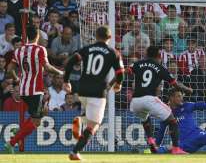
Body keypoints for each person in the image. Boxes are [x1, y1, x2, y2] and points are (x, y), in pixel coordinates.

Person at [63, 26, 124, 160]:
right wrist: (118, 84)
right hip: (98, 92)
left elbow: (70, 62)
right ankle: (75, 152)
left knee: (89, 115)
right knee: (94, 125)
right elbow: (120, 72)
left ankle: (81, 119)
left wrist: (66, 81)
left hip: (82, 89)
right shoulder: (113, 52)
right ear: (110, 38)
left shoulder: (87, 49)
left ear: (96, 36)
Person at [4, 24, 63, 153]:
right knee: (36, 122)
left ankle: (19, 133)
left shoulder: (18, 50)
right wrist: (60, 73)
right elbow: (47, 67)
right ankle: (12, 142)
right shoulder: (40, 49)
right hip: (35, 90)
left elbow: (9, 70)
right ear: (37, 36)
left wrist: (16, 78)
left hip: (23, 89)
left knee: (41, 114)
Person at [129, 46, 193, 154]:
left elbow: (127, 70)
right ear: (158, 56)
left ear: (146, 54)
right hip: (149, 99)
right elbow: (175, 84)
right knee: (172, 120)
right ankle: (176, 149)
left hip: (135, 102)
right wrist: (187, 89)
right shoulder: (159, 67)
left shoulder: (137, 64)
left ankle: (151, 140)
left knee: (145, 118)